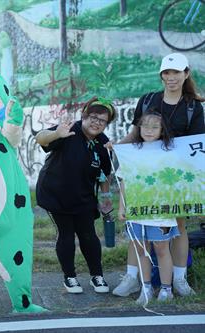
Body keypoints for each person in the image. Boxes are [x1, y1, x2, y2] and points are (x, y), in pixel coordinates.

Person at [113, 53, 204, 298]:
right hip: (144, 176)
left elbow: (195, 147)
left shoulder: (193, 107)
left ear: (186, 74)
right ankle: (132, 278)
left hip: (175, 178)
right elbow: (134, 135)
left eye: (176, 72)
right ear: (161, 75)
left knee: (179, 226)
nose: (171, 78)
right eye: (167, 73)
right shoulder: (148, 100)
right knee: (137, 227)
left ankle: (179, 279)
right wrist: (117, 146)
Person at [35, 97, 116, 294]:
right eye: (94, 117)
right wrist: (56, 134)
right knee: (66, 234)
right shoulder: (69, 129)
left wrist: (106, 200)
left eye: (102, 120)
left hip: (84, 197)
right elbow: (41, 137)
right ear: (85, 116)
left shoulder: (103, 144)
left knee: (89, 235)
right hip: (55, 194)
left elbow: (105, 174)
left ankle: (97, 276)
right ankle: (70, 277)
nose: (97, 122)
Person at [117, 109, 180, 305]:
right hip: (137, 208)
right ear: (138, 128)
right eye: (145, 126)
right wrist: (122, 206)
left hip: (162, 210)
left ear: (163, 130)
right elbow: (124, 181)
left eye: (155, 126)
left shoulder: (171, 151)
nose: (149, 130)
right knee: (142, 249)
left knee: (162, 248)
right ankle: (145, 289)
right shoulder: (131, 152)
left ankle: (166, 289)